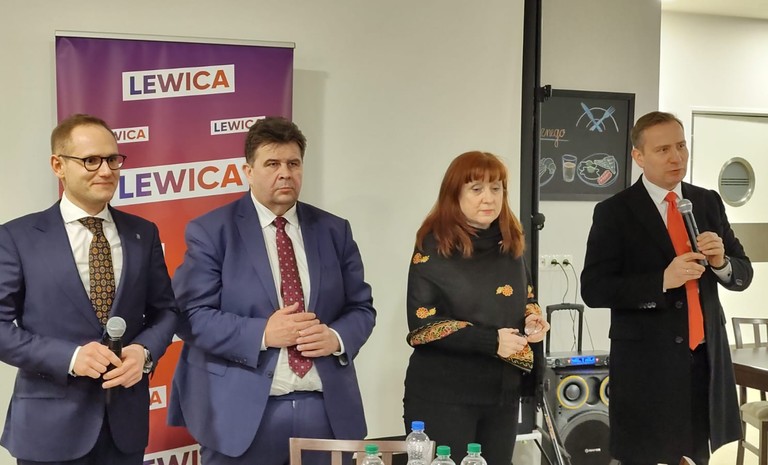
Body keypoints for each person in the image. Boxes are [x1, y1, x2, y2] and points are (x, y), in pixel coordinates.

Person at [168, 116, 376, 465]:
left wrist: (336, 337)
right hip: (241, 414)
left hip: (325, 413)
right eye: (272, 164)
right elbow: (190, 316)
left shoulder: (334, 230)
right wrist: (263, 333)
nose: (285, 173)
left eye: (293, 164)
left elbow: (361, 308)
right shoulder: (211, 231)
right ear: (248, 172)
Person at [0, 114, 179, 465]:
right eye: (91, 160)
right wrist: (70, 358)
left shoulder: (143, 233)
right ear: (58, 166)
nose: (106, 171)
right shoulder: (16, 238)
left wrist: (143, 352)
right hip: (48, 430)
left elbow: (166, 311)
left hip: (124, 428)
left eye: (112, 159)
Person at [581, 111, 753, 465]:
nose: (677, 157)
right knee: (646, 456)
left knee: (696, 456)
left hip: (703, 359)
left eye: (681, 146)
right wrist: (660, 281)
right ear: (639, 156)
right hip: (647, 366)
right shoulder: (615, 212)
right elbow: (594, 289)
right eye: (663, 150)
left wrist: (721, 262)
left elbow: (743, 273)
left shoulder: (706, 202)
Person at [402, 151, 550, 465]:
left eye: (496, 188)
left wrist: (532, 320)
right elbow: (423, 326)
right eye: (477, 189)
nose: (489, 198)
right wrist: (491, 341)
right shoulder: (433, 247)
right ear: (454, 194)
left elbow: (525, 297)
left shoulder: (510, 242)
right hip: (444, 395)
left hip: (502, 395)